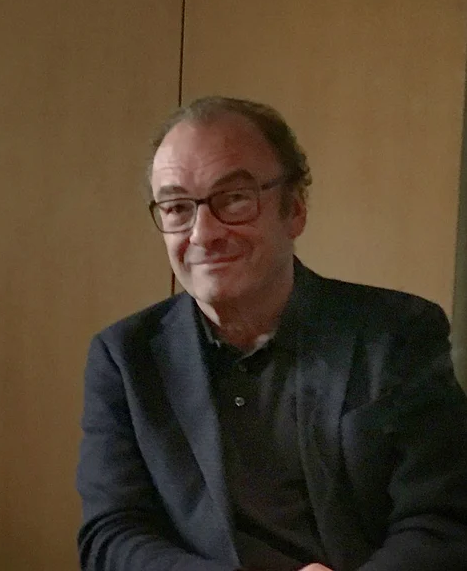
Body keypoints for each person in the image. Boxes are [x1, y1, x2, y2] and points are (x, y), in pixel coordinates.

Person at [76, 96, 467, 571]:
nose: (203, 234)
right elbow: (112, 536)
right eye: (177, 207)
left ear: (294, 209)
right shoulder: (125, 357)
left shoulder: (398, 333)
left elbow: (443, 518)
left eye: (234, 198)